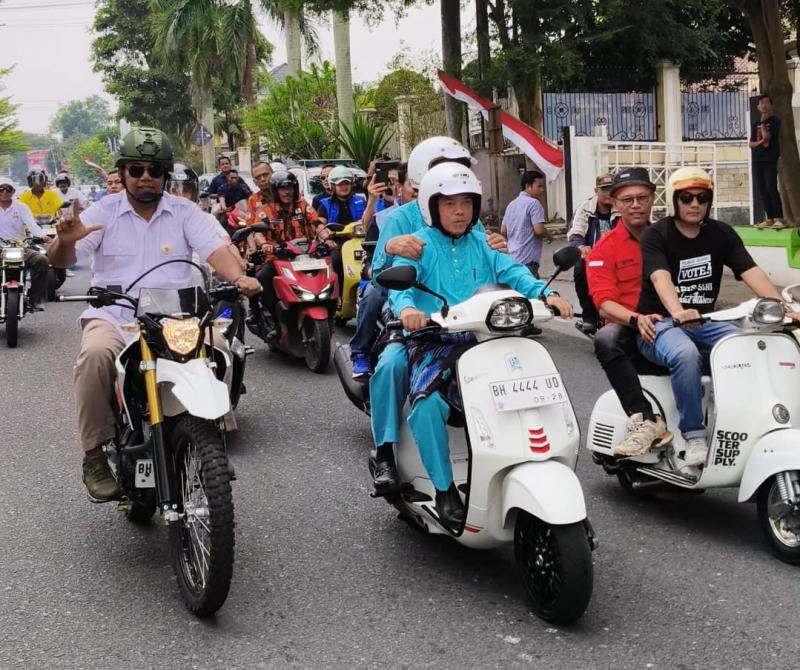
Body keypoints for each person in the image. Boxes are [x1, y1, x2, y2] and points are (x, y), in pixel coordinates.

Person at [47, 127, 261, 502]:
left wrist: (239, 277)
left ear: (165, 175)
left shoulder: (184, 211)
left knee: (220, 348)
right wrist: (64, 242)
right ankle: (94, 455)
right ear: (124, 172)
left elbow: (215, 251)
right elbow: (63, 259)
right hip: (114, 316)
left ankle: (212, 441)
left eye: (154, 170)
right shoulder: (102, 212)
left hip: (175, 319)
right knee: (95, 356)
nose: (145, 176)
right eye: (136, 169)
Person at [387, 163, 573, 527]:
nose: (459, 211)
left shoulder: (484, 244)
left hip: (487, 339)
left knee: (530, 387)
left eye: (466, 203)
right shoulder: (419, 248)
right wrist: (408, 308)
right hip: (434, 342)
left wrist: (545, 292)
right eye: (449, 203)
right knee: (426, 407)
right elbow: (401, 291)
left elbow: (514, 271)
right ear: (432, 207)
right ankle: (444, 490)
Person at [367, 136, 508, 493]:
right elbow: (380, 276)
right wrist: (389, 247)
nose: (457, 203)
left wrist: (499, 247)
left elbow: (482, 257)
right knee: (392, 365)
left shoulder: (463, 213)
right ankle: (384, 452)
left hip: (465, 319)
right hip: (412, 314)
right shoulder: (399, 217)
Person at [635, 166, 794, 467]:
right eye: (686, 198)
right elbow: (660, 279)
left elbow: (752, 272)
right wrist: (678, 312)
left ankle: (749, 421)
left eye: (702, 197)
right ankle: (694, 434)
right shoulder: (656, 235)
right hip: (659, 324)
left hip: (707, 323)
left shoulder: (722, 233)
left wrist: (784, 309)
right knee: (684, 353)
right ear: (674, 200)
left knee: (751, 346)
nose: (694, 204)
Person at [587, 167, 672, 456]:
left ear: (652, 198)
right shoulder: (603, 249)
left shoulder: (669, 238)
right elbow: (604, 303)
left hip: (670, 324)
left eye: (642, 198)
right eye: (627, 200)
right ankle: (644, 419)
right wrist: (637, 319)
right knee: (606, 337)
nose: (635, 205)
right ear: (614, 203)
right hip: (631, 328)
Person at [349, 163, 414, 378]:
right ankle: (360, 352)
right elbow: (369, 264)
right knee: (373, 293)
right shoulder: (384, 218)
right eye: (413, 184)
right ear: (400, 186)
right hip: (390, 283)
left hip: (431, 286)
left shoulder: (445, 219)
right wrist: (381, 274)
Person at [248, 170, 324, 339]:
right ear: (275, 191)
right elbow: (257, 232)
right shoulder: (265, 210)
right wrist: (265, 244)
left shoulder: (303, 205)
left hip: (305, 258)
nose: (287, 191)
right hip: (277, 260)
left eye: (290, 187)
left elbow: (317, 223)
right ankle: (276, 319)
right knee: (262, 277)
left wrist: (327, 237)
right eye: (282, 188)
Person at [316, 165, 384, 302]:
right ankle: (338, 296)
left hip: (360, 239)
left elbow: (370, 216)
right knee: (336, 261)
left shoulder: (361, 200)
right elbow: (319, 224)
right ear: (332, 185)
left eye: (346, 183)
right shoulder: (324, 204)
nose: (343, 187)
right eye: (340, 184)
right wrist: (326, 236)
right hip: (337, 242)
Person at [167, 163, 245, 269]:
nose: (181, 196)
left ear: (193, 193)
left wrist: (238, 261)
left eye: (186, 191)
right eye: (175, 191)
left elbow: (227, 242)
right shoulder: (160, 221)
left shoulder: (207, 219)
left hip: (203, 276)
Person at [568, 172, 616, 333]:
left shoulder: (622, 207)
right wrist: (581, 247)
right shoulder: (585, 208)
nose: (609, 193)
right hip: (593, 258)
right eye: (604, 189)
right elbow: (575, 233)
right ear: (596, 191)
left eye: (612, 189)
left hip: (617, 256)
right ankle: (589, 316)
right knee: (580, 269)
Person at [0, 177, 49, 310]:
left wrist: (42, 235)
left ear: (13, 191)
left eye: (8, 189)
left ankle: (35, 298)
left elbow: (31, 224)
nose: (4, 192)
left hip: (20, 247)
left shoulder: (21, 207)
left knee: (42, 260)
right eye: (1, 189)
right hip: (0, 248)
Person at [501, 170, 552, 278]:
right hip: (528, 260)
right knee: (530, 292)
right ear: (528, 186)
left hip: (512, 258)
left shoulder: (511, 204)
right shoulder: (534, 204)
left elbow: (503, 230)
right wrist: (549, 236)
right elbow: (539, 230)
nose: (542, 190)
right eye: (539, 186)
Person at [751, 94, 785, 229]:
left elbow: (767, 136)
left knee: (771, 187)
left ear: (770, 105)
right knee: (762, 189)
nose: (764, 105)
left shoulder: (775, 121)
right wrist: (760, 141)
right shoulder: (755, 124)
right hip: (757, 159)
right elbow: (751, 144)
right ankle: (770, 218)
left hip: (769, 159)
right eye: (761, 103)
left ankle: (780, 218)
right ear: (758, 106)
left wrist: (763, 126)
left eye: (766, 102)